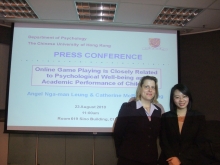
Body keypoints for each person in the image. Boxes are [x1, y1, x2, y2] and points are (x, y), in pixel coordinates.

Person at [113, 76, 162, 165]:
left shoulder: (158, 111)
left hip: (151, 160)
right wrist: (122, 154)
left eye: (153, 87)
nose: (150, 90)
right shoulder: (128, 107)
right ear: (140, 88)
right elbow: (118, 133)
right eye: (146, 86)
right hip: (128, 160)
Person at [158, 84, 208, 165]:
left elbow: (201, 142)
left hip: (192, 160)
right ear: (173, 99)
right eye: (177, 97)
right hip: (169, 161)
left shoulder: (198, 117)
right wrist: (173, 158)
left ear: (189, 97)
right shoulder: (165, 117)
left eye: (184, 96)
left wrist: (181, 159)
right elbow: (164, 141)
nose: (181, 100)